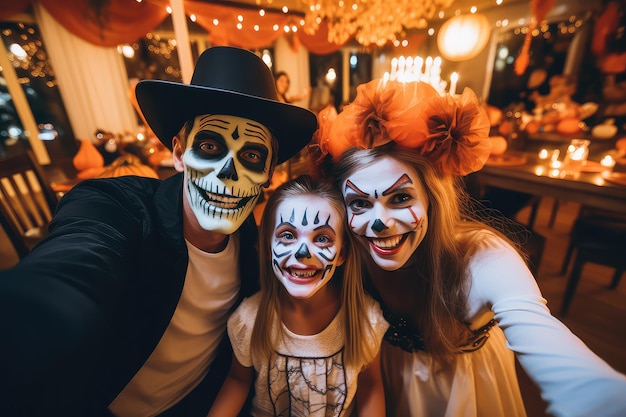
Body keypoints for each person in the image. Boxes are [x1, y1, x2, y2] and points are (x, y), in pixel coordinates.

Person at [0, 46, 317, 417]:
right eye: (211, 146)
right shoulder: (118, 207)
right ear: (179, 154)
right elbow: (76, 264)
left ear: (267, 175)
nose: (228, 175)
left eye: (250, 156)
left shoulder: (255, 240)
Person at [311, 78, 626, 417]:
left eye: (401, 198)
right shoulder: (347, 255)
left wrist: (596, 394)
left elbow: (534, 323)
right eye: (359, 203)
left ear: (433, 201)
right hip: (384, 387)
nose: (379, 223)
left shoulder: (481, 255)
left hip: (467, 393)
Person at [206, 174, 389, 417]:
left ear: (342, 254)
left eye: (322, 239)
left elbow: (370, 385)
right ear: (268, 243)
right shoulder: (249, 319)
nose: (303, 252)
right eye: (288, 235)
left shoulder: (364, 319)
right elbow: (238, 381)